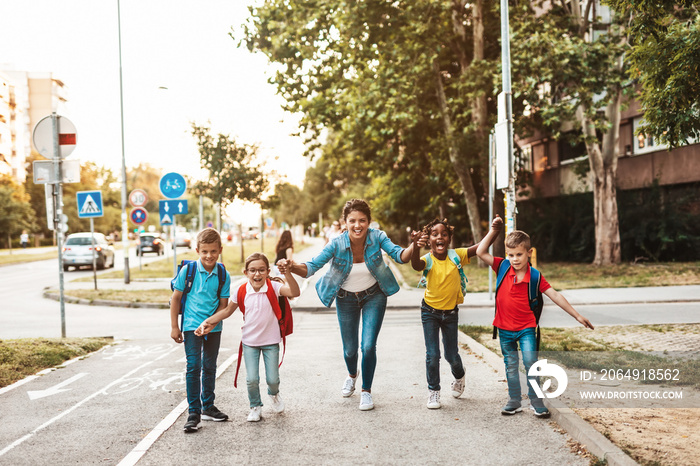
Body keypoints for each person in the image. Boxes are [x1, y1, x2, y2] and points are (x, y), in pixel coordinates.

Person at [287, 198, 415, 411]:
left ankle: (366, 391)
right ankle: (351, 375)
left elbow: (400, 257)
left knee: (368, 346)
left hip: (374, 295)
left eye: (362, 220)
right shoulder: (336, 244)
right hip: (346, 298)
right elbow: (311, 267)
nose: (358, 225)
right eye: (353, 221)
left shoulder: (378, 237)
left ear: (369, 222)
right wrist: (292, 266)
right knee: (349, 351)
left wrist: (414, 245)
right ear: (345, 222)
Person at [476, 216, 594, 418]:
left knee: (531, 362)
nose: (515, 259)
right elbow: (480, 251)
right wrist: (494, 231)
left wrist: (577, 315)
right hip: (504, 329)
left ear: (529, 253)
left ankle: (536, 401)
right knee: (511, 365)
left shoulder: (535, 276)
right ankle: (514, 400)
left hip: (526, 328)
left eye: (519, 254)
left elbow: (555, 295)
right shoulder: (502, 267)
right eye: (511, 254)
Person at [196, 253, 300, 422]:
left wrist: (287, 272)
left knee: (272, 379)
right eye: (252, 270)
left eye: (261, 270)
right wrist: (208, 321)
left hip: (271, 341)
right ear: (246, 272)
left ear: (267, 271)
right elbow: (227, 311)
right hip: (249, 342)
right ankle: (255, 406)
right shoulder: (241, 290)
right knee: (252, 379)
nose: (257, 274)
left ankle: (274, 394)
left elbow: (295, 292)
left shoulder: (273, 287)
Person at [410, 217, 500, 409]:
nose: (439, 237)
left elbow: (479, 247)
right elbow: (416, 265)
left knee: (451, 355)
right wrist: (415, 246)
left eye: (444, 234)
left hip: (450, 314)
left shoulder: (456, 256)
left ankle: (459, 375)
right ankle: (434, 391)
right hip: (429, 312)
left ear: (449, 238)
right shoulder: (427, 259)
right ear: (429, 240)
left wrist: (494, 230)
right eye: (434, 234)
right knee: (432, 354)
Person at [170, 228, 231, 433]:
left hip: (214, 327)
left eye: (213, 251)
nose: (209, 256)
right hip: (190, 326)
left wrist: (212, 323)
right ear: (197, 250)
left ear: (220, 250)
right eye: (204, 251)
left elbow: (223, 305)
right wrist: (174, 327)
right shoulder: (188, 271)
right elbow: (176, 298)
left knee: (210, 366)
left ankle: (208, 407)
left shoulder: (223, 274)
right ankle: (193, 412)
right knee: (194, 366)